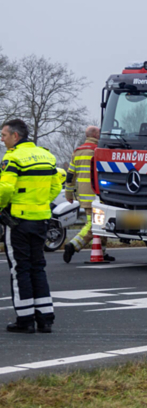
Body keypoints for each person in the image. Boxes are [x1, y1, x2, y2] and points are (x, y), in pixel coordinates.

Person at [0, 119, 63, 333]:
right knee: (38, 267)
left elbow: (6, 188)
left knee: (20, 269)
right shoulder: (47, 156)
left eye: (4, 135)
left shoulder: (13, 158)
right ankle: (45, 319)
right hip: (41, 219)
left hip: (18, 221)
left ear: (15, 136)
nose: (2, 139)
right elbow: (56, 185)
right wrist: (40, 202)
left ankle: (25, 319)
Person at [63, 126, 114, 263]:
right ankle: (73, 245)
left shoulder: (77, 152)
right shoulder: (98, 151)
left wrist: (69, 193)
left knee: (101, 223)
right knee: (94, 225)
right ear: (96, 135)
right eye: (99, 132)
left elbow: (70, 176)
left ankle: (102, 252)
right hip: (98, 194)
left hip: (84, 195)